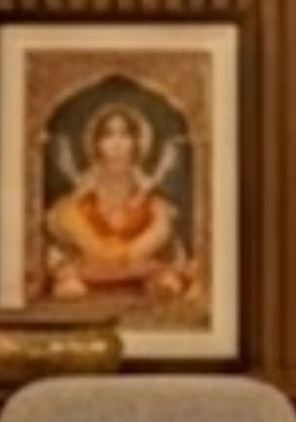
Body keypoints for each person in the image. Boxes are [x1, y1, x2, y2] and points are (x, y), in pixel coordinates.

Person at [39, 102, 195, 308]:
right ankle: (81, 277)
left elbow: (155, 218)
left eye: (124, 135)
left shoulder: (143, 182)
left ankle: (146, 276)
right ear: (96, 143)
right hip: (93, 252)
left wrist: (138, 210)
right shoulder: (89, 179)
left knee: (160, 224)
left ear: (136, 142)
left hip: (136, 251)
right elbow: (68, 216)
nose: (117, 143)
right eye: (109, 135)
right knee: (69, 219)